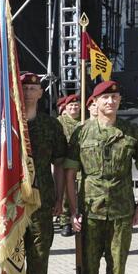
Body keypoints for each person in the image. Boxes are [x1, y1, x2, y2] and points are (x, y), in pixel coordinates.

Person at [64, 81, 138, 274]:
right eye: (105, 98)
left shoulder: (131, 132)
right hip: (89, 211)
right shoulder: (81, 133)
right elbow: (70, 174)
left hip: (121, 211)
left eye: (114, 97)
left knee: (117, 267)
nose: (111, 102)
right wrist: (71, 211)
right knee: (89, 266)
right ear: (95, 103)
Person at [5, 72, 67, 274]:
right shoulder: (9, 125)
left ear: (41, 93)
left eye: (33, 87)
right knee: (13, 256)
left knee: (39, 260)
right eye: (24, 87)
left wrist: (60, 198)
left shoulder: (51, 126)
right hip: (14, 202)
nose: (29, 91)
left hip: (42, 203)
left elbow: (61, 164)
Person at [57, 94, 81, 237]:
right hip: (65, 161)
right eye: (71, 105)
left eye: (76, 105)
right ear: (65, 107)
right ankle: (65, 221)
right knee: (66, 191)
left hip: (80, 162)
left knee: (78, 192)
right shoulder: (60, 122)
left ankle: (78, 218)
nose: (74, 107)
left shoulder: (85, 121)